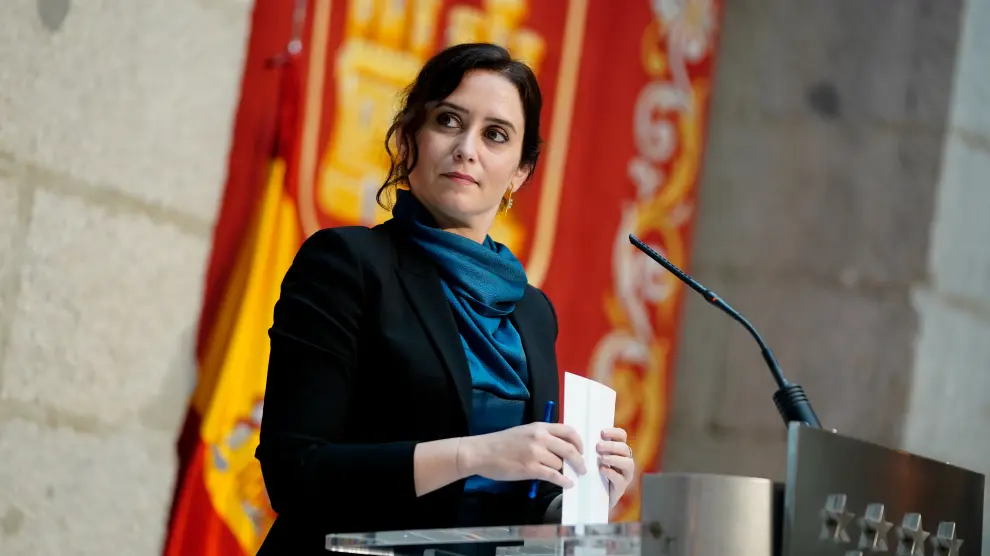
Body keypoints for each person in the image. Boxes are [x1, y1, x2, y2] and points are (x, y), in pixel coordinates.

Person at [255, 42, 636, 555]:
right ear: (409, 137)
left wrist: (581, 499)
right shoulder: (346, 264)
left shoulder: (531, 312)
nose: (467, 148)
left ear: (520, 172)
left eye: (495, 135)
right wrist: (473, 455)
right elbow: (295, 471)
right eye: (449, 121)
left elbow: (514, 503)